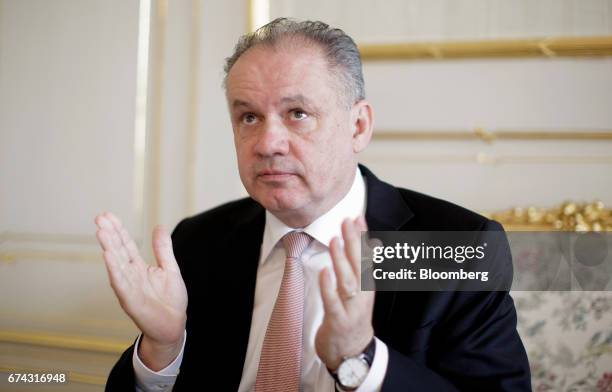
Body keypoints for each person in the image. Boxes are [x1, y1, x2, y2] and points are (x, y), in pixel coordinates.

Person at [95, 18, 531, 391]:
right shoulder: (198, 240)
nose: (267, 143)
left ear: (358, 126)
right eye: (248, 117)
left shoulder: (453, 246)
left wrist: (360, 361)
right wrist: (162, 349)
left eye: (297, 113)